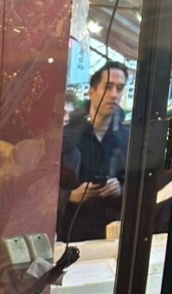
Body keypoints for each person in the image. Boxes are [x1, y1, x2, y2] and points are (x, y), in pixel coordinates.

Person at [57, 62, 130, 242]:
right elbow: (40, 188)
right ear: (91, 92)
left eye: (119, 88)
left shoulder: (127, 138)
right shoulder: (67, 135)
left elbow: (141, 187)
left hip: (112, 235)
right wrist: (69, 196)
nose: (114, 94)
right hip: (69, 233)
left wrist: (120, 189)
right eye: (108, 87)